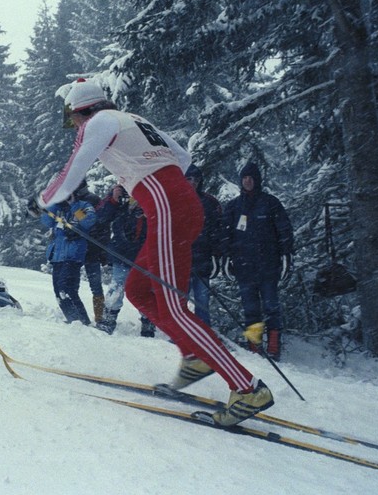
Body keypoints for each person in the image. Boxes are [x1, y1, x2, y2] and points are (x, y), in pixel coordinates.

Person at [30, 79, 273, 426]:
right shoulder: (131, 118)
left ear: (83, 111)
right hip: (176, 205)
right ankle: (194, 355)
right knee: (139, 290)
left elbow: (72, 173)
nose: (75, 127)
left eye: (73, 120)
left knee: (173, 309)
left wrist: (40, 200)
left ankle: (247, 388)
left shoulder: (98, 122)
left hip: (167, 207)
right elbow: (184, 158)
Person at [220, 162, 294, 360]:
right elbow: (225, 235)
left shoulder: (270, 203)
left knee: (271, 307)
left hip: (268, 266)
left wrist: (286, 256)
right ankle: (254, 348)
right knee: (250, 309)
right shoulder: (234, 206)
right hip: (244, 267)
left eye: (251, 178)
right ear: (241, 181)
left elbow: (284, 231)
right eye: (245, 178)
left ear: (257, 180)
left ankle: (273, 347)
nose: (248, 181)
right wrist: (226, 258)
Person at [94, 184, 155, 337]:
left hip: (145, 255)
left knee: (145, 290)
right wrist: (114, 199)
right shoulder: (120, 200)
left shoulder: (154, 199)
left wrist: (151, 214)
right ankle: (108, 320)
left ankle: (148, 323)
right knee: (117, 287)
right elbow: (101, 217)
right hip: (122, 252)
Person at [31, 187, 97, 325]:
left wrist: (74, 206)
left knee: (66, 288)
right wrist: (53, 203)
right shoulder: (57, 209)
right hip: (58, 255)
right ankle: (73, 319)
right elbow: (47, 221)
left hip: (73, 255)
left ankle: (81, 321)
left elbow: (89, 221)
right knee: (58, 290)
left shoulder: (84, 206)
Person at [185, 164, 223, 327]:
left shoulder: (210, 202)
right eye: (189, 179)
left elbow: (218, 230)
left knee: (202, 300)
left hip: (203, 259)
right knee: (180, 299)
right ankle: (182, 331)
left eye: (196, 179)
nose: (193, 182)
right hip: (182, 259)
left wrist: (216, 255)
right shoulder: (175, 199)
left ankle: (203, 331)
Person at [75, 180, 108, 322]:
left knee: (95, 285)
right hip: (76, 248)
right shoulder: (69, 201)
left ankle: (99, 317)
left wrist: (102, 249)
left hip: (92, 248)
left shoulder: (93, 200)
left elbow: (101, 224)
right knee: (72, 284)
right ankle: (77, 315)